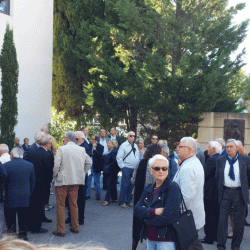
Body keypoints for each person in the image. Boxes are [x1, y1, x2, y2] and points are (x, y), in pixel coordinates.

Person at [134, 154, 181, 250]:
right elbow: (137, 210)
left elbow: (168, 217)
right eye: (157, 168)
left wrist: (146, 220)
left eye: (164, 168)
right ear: (151, 171)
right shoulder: (148, 188)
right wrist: (154, 211)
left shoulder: (173, 188)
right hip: (150, 238)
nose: (161, 171)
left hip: (166, 240)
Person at [53, 131, 92, 237]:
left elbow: (56, 165)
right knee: (74, 205)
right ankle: (75, 227)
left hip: (62, 182)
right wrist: (82, 173)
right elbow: (89, 162)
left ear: (66, 138)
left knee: (61, 206)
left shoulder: (62, 149)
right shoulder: (81, 149)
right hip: (75, 181)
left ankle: (61, 230)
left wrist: (55, 175)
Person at [215, 139, 250, 250]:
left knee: (239, 222)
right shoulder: (220, 160)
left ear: (236, 148)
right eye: (227, 147)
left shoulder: (245, 159)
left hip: (239, 193)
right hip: (225, 192)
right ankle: (221, 246)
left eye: (231, 146)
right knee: (222, 221)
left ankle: (235, 246)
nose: (229, 149)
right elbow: (217, 177)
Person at [174, 137, 205, 250]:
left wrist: (176, 216)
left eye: (181, 147)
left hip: (186, 218)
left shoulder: (188, 167)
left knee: (186, 246)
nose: (178, 149)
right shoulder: (192, 162)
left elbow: (187, 197)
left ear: (189, 149)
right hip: (192, 216)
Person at [132, 144, 163, 250]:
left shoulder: (140, 162)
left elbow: (133, 180)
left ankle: (133, 247)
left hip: (138, 197)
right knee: (151, 224)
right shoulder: (156, 166)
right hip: (151, 199)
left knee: (136, 224)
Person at [3, 148, 35, 240]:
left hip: (10, 196)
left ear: (12, 155)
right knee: (23, 219)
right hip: (25, 196)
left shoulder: (6, 165)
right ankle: (23, 236)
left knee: (10, 220)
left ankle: (12, 239)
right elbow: (32, 183)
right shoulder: (30, 165)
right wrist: (29, 193)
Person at [25, 135, 54, 233]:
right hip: (43, 183)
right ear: (46, 144)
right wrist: (49, 181)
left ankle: (29, 224)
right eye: (50, 143)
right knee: (40, 204)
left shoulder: (31, 152)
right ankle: (36, 227)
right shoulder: (48, 155)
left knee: (32, 204)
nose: (51, 145)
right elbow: (50, 170)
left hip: (32, 182)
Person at [201, 141, 222, 245]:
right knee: (216, 215)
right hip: (218, 193)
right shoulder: (221, 158)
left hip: (209, 193)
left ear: (213, 149)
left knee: (209, 216)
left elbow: (204, 174)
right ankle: (215, 236)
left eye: (209, 147)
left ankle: (209, 238)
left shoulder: (212, 159)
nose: (207, 149)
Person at [116, 131, 140, 208]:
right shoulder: (123, 145)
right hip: (126, 167)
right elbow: (119, 157)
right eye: (131, 136)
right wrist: (123, 167)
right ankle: (121, 202)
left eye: (134, 136)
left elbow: (137, 156)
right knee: (124, 185)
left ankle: (128, 201)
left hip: (134, 168)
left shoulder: (135, 146)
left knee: (131, 185)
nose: (132, 137)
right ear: (127, 136)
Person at [102, 139, 120, 206]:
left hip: (112, 170)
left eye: (109, 143)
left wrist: (108, 167)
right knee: (113, 184)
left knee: (109, 184)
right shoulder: (111, 151)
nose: (108, 144)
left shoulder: (114, 151)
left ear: (113, 144)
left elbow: (114, 161)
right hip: (111, 170)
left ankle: (106, 200)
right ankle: (114, 198)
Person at [88, 135, 104, 200]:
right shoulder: (88, 145)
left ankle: (98, 195)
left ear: (96, 140)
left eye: (92, 139)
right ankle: (88, 195)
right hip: (88, 166)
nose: (91, 141)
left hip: (96, 166)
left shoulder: (101, 147)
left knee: (96, 182)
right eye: (91, 139)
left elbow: (99, 155)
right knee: (88, 180)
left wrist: (94, 149)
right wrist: (92, 153)